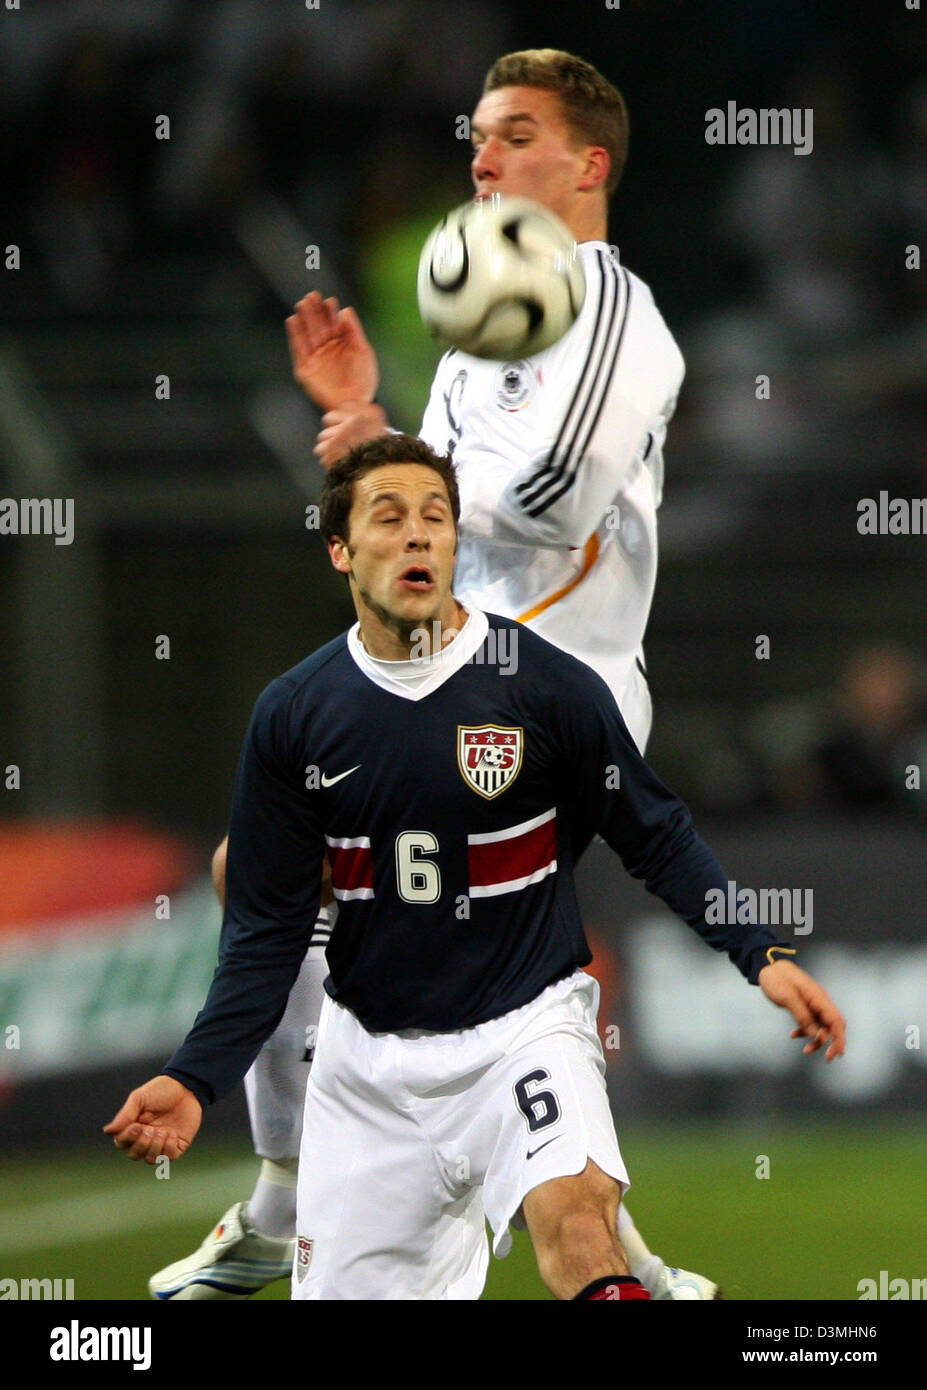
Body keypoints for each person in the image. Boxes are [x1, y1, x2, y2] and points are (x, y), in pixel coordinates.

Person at [147, 48, 695, 1300]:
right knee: (287, 880)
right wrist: (361, 430)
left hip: (561, 695)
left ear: (588, 164)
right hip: (450, 682)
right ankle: (578, 1233)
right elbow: (417, 522)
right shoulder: (474, 327)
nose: (481, 157)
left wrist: (410, 466)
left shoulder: (615, 314)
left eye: (513, 136)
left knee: (329, 906)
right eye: (478, 136)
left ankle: (310, 1202)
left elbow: (556, 503)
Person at [109, 438, 846, 1302]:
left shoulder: (542, 687)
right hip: (370, 1069)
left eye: (435, 518)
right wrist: (195, 1077)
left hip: (525, 1031)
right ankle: (281, 1204)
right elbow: (266, 936)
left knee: (578, 1232)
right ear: (341, 551)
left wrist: (761, 954)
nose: (418, 537)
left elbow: (655, 833)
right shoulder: (296, 715)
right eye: (389, 517)